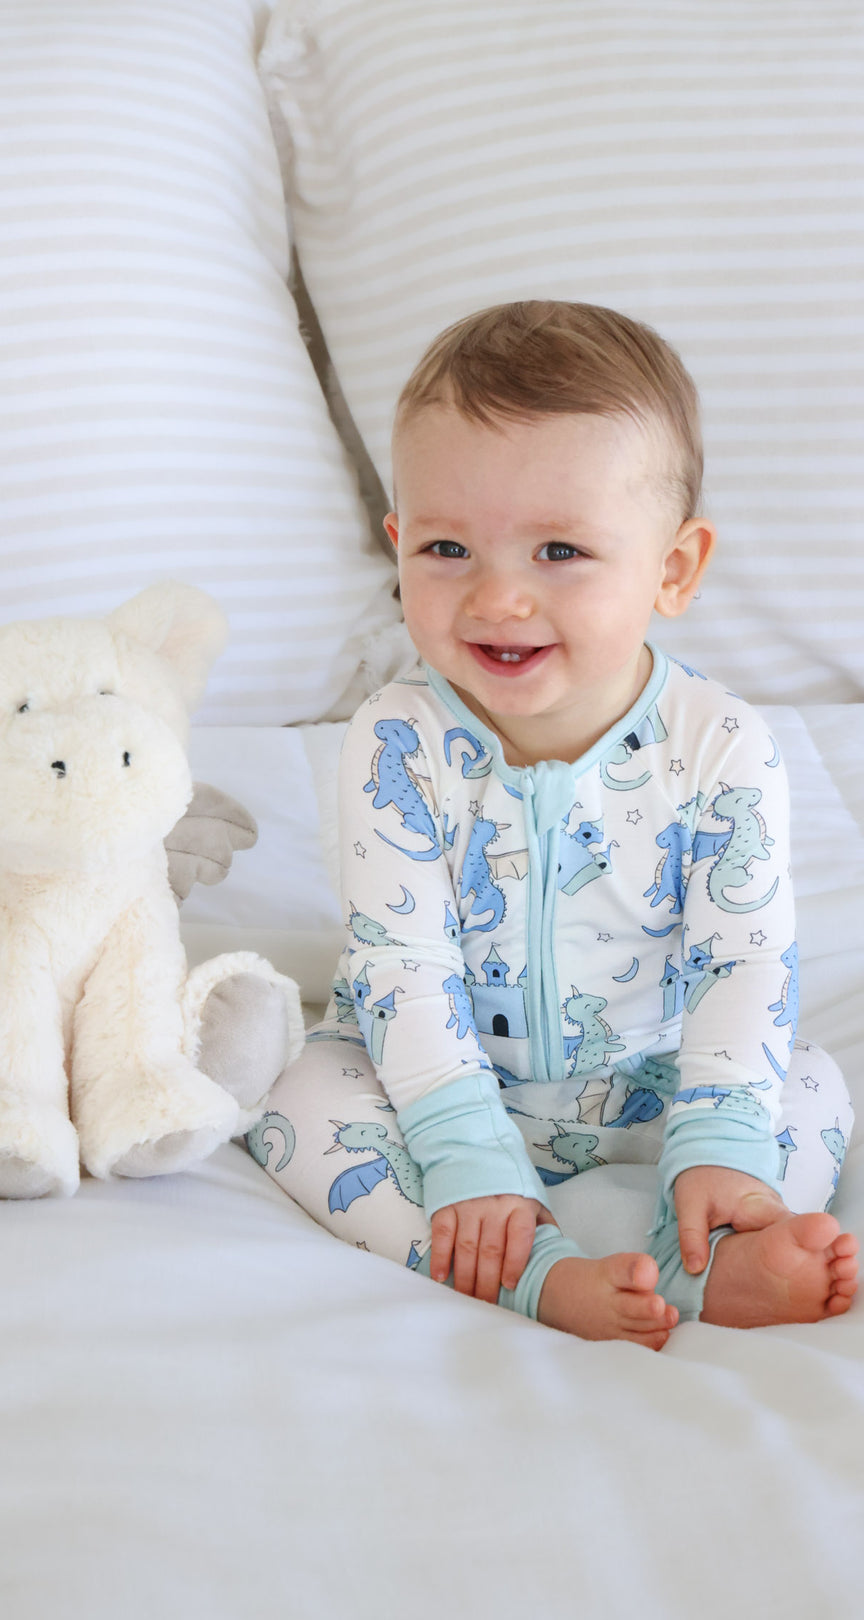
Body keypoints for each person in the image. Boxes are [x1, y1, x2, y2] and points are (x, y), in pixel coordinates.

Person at [250, 300, 858, 1346]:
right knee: (294, 1099)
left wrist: (720, 1141)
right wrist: (464, 1155)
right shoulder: (396, 741)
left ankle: (706, 1257)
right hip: (435, 1080)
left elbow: (742, 965)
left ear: (673, 569)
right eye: (447, 547)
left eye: (560, 552)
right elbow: (404, 966)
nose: (498, 597)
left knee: (810, 1087)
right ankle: (527, 1272)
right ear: (397, 548)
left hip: (651, 1081)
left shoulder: (720, 746)